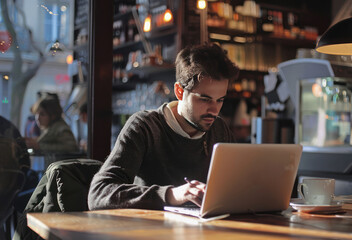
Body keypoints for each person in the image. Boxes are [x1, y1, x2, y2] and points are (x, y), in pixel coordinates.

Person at [88, 43, 239, 210]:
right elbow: (98, 193)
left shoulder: (219, 129)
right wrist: (172, 195)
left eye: (220, 100)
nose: (214, 110)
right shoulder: (145, 127)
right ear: (179, 92)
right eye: (205, 99)